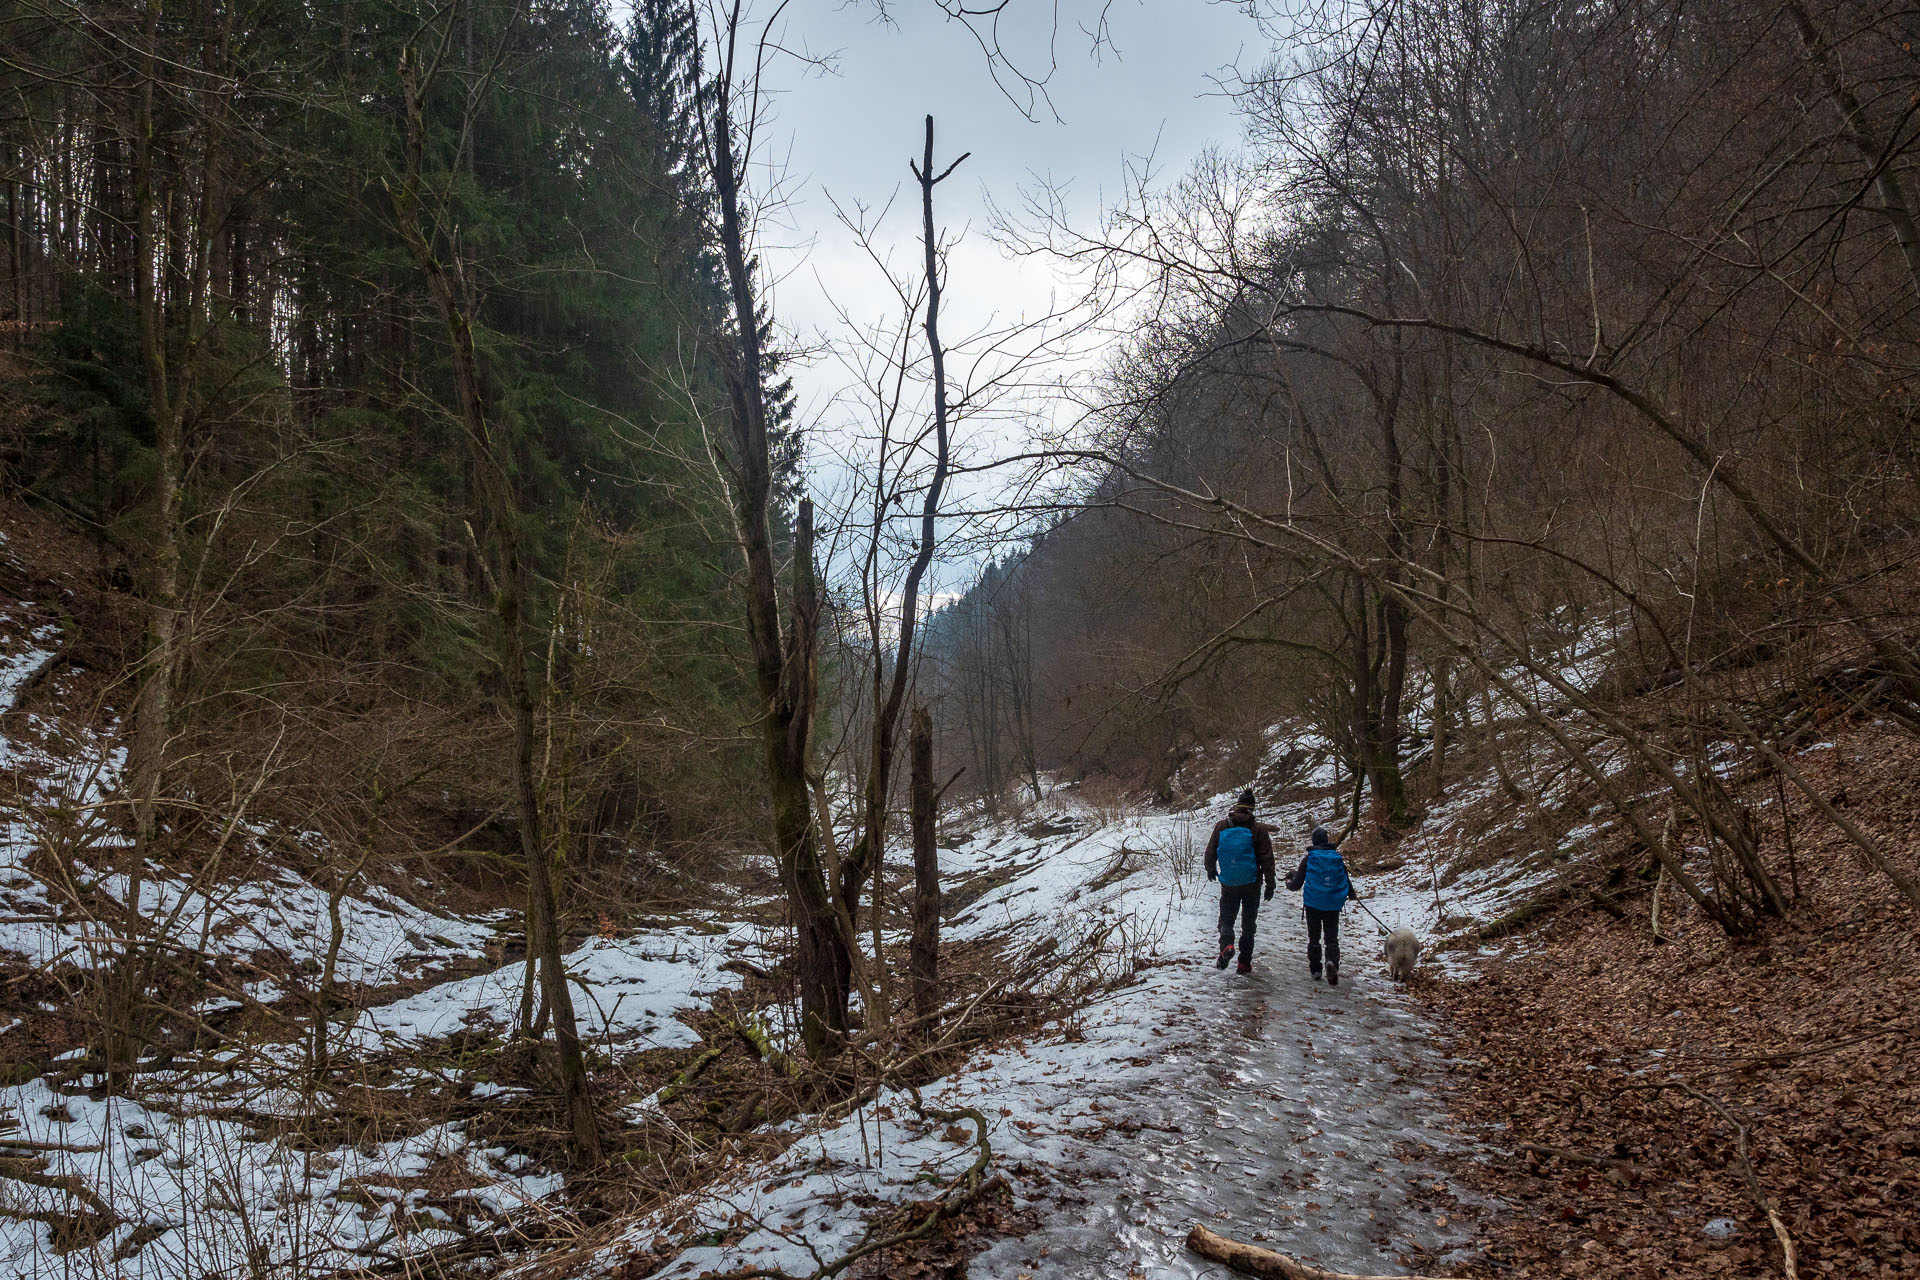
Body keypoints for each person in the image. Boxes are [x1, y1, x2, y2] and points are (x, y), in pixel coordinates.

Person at [1204, 788, 1276, 974]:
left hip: (1229, 883)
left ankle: (1227, 945)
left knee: (1226, 919)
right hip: (1252, 884)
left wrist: (1211, 869)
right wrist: (1270, 883)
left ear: (1237, 806)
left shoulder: (1222, 826)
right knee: (1248, 925)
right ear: (1252, 808)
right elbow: (1267, 858)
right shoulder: (1258, 829)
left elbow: (1210, 850)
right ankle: (1244, 963)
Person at [1286, 826, 1358, 985]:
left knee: (1314, 938)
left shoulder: (1309, 858)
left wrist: (1288, 884)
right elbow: (1345, 879)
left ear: (1314, 841)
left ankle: (1316, 970)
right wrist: (1352, 895)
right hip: (1332, 903)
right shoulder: (1337, 858)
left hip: (1313, 903)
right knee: (1331, 938)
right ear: (1326, 840)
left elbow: (1297, 883)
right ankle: (1332, 962)